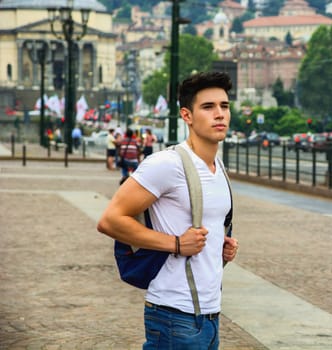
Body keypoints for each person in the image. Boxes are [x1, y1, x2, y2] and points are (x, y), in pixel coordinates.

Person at [97, 71, 238, 349]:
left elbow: (201, 227)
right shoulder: (166, 164)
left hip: (211, 313)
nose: (219, 114)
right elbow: (110, 220)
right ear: (187, 116)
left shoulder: (218, 167)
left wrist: (221, 247)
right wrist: (175, 243)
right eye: (208, 107)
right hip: (174, 315)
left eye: (224, 106)